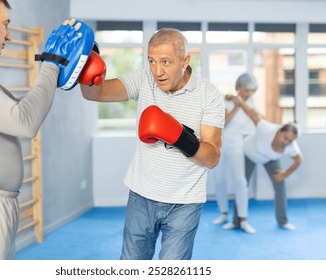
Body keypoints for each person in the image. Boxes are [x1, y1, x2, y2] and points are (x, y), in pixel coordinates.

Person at [0, 0, 89, 259]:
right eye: (5, 23)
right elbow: (24, 121)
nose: (8, 34)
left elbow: (21, 111)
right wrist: (52, 64)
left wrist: (51, 68)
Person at [80, 28, 224, 259]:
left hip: (184, 203)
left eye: (166, 62)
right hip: (141, 197)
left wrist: (178, 136)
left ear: (185, 60)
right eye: (152, 61)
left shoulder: (209, 95)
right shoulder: (143, 80)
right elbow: (96, 94)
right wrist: (86, 63)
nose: (157, 71)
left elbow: (212, 157)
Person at [227, 95, 303, 231]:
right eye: (285, 138)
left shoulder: (291, 146)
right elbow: (252, 113)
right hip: (248, 154)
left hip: (270, 159)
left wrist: (285, 174)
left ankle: (283, 221)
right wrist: (239, 101)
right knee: (242, 185)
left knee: (280, 185)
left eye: (290, 141)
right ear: (280, 131)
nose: (286, 142)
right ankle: (236, 222)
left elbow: (298, 160)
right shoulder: (266, 128)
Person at [210, 73, 259, 234]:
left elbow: (256, 122)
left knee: (241, 182)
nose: (249, 93)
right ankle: (223, 213)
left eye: (252, 90)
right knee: (219, 180)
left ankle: (243, 219)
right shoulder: (227, 101)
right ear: (238, 88)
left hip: (237, 146)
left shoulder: (251, 104)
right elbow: (223, 123)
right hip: (221, 144)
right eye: (246, 90)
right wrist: (237, 105)